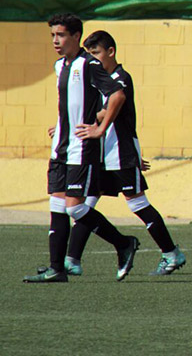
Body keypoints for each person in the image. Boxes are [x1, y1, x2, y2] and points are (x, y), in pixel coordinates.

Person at [24, 14, 140, 283]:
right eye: (53, 35)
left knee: (75, 208)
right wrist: (60, 124)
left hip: (81, 149)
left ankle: (123, 243)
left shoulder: (88, 65)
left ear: (76, 36)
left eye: (61, 35)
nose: (56, 40)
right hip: (60, 148)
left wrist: (99, 129)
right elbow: (70, 102)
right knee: (57, 205)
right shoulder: (59, 66)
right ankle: (57, 269)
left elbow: (117, 95)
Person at [60, 30, 186, 276]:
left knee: (137, 203)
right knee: (85, 204)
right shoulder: (98, 79)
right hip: (98, 154)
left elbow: (103, 112)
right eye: (90, 55)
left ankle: (171, 253)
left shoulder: (120, 78)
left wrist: (72, 120)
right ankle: (71, 260)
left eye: (96, 53)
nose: (93, 60)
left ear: (111, 52)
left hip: (120, 151)